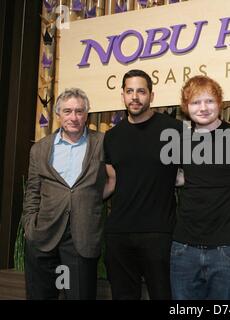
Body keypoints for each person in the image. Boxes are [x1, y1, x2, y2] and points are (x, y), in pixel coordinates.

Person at [170, 75, 230, 300]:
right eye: (195, 102)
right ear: (186, 107)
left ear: (220, 102)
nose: (203, 108)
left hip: (226, 247)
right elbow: (179, 178)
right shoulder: (180, 141)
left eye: (209, 101)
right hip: (183, 247)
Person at [103, 69, 182, 300]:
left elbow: (191, 173)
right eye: (129, 91)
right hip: (118, 234)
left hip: (159, 233)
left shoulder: (174, 130)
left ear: (151, 96)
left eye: (141, 91)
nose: (135, 97)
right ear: (123, 96)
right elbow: (112, 180)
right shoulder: (112, 136)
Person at [21, 88, 106, 300]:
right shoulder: (40, 149)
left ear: (87, 114)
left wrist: (92, 200)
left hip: (81, 236)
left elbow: (114, 179)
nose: (74, 117)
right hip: (43, 236)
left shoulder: (103, 143)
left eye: (79, 111)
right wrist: (29, 226)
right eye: (67, 111)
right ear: (58, 115)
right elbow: (33, 191)